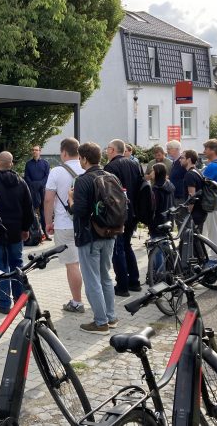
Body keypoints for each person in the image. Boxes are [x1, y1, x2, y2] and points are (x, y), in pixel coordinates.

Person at [68, 142, 118, 334]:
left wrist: (70, 199)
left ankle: (100, 322)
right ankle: (111, 317)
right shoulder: (111, 176)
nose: (79, 161)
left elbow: (79, 211)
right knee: (105, 276)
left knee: (92, 280)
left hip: (89, 236)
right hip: (110, 232)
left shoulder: (83, 180)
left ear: (85, 159)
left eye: (80, 158)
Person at [0, 152, 34, 314]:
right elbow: (29, 208)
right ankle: (19, 301)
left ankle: (4, 303)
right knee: (17, 265)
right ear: (11, 164)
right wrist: (26, 228)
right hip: (16, 232)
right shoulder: (21, 182)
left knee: (0, 267)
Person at [45, 137, 86, 314]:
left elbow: (48, 199)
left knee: (72, 264)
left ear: (63, 152)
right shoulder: (87, 168)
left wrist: (48, 222)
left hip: (64, 224)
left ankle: (77, 302)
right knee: (90, 265)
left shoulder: (56, 172)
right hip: (86, 223)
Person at [104, 139, 143, 297]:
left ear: (113, 150)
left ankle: (122, 286)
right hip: (134, 211)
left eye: (107, 148)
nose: (106, 151)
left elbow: (109, 193)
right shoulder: (134, 164)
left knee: (118, 248)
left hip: (118, 213)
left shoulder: (110, 167)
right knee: (127, 245)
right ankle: (134, 281)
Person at [200, 139, 217, 264]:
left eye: (206, 149)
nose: (204, 151)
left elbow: (201, 182)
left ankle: (215, 258)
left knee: (212, 231)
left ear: (213, 150)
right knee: (209, 229)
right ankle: (208, 255)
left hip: (212, 203)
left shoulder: (213, 166)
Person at [24, 145, 51, 241]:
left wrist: (39, 184)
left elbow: (47, 176)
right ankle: (33, 234)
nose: (34, 151)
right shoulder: (28, 164)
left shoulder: (45, 163)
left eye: (36, 150)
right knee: (32, 211)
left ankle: (46, 233)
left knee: (43, 212)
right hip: (32, 190)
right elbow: (26, 176)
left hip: (42, 190)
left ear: (40, 151)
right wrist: (33, 185)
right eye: (33, 150)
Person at [181, 149, 207, 230]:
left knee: (192, 240)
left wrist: (188, 214)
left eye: (182, 158)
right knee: (196, 240)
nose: (180, 160)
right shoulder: (197, 171)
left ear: (188, 160)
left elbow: (191, 196)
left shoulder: (190, 175)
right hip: (200, 211)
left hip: (195, 213)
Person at [148, 163, 175, 237]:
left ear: (157, 172)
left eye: (153, 171)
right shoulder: (169, 185)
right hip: (167, 219)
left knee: (158, 244)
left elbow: (153, 207)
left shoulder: (157, 189)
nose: (151, 173)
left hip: (158, 222)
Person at [167, 140, 186, 204]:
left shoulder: (182, 161)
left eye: (169, 149)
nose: (167, 151)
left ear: (176, 149)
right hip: (174, 195)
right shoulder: (174, 162)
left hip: (180, 197)